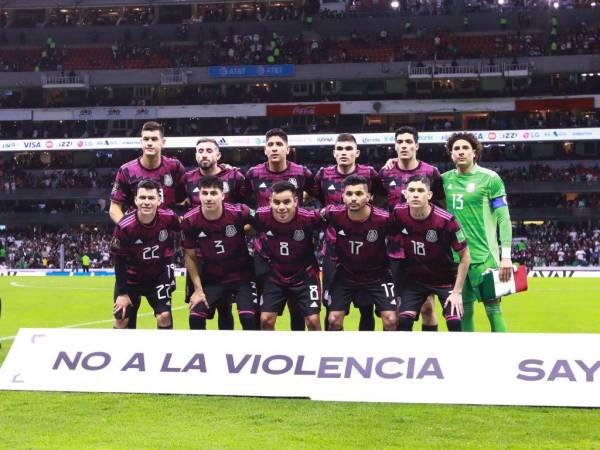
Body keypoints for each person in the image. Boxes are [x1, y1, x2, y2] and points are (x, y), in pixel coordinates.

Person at [242, 128, 316, 331]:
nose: (274, 148)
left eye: (279, 144)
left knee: (297, 308)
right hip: (264, 250)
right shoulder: (253, 174)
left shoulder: (302, 172)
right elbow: (238, 198)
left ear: (287, 149)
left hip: (298, 247)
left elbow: (317, 194)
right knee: (264, 311)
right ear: (265, 149)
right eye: (270, 145)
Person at [442, 132, 513, 332]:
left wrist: (505, 256)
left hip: (485, 258)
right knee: (463, 310)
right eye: (456, 149)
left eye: (465, 148)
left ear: (474, 152)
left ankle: (504, 356)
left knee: (494, 309)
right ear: (451, 154)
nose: (461, 152)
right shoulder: (444, 180)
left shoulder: (490, 179)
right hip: (455, 259)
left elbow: (503, 218)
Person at [314, 133, 381, 331]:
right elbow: (310, 198)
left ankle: (365, 354)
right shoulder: (323, 175)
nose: (344, 152)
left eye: (349, 149)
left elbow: (382, 197)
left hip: (366, 252)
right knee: (331, 309)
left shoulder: (370, 174)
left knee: (366, 308)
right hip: (334, 252)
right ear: (334, 153)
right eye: (340, 149)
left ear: (357, 152)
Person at [380, 126, 445, 332]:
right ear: (395, 146)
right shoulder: (385, 172)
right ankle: (402, 357)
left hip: (425, 250)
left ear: (417, 145)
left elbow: (441, 207)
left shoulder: (431, 172)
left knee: (427, 306)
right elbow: (377, 206)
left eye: (409, 142)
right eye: (400, 142)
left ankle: (428, 353)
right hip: (395, 250)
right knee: (398, 309)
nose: (404, 146)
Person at [390, 175, 470, 332]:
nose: (415, 194)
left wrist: (457, 292)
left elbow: (465, 256)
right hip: (415, 280)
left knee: (454, 321)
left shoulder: (446, 221)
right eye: (411, 190)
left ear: (429, 195)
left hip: (445, 280)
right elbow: (392, 242)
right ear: (405, 193)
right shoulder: (398, 213)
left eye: (420, 190)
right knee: (404, 321)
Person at [181, 137, 245, 329]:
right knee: (198, 308)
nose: (204, 154)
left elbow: (247, 208)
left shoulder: (235, 177)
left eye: (209, 150)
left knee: (225, 307)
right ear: (195, 155)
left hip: (230, 255)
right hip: (200, 256)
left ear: (218, 155)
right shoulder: (187, 179)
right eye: (200, 151)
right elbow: (176, 203)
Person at [181, 176, 257, 331]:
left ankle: (252, 354)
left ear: (223, 195)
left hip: (241, 277)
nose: (209, 198)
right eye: (205, 193)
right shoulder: (189, 220)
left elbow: (263, 222)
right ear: (199, 195)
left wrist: (244, 231)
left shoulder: (239, 212)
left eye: (214, 193)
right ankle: (201, 353)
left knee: (248, 318)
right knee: (195, 317)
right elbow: (189, 256)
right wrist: (197, 290)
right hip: (212, 280)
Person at [322, 175, 397, 331]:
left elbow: (400, 245)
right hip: (345, 274)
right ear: (342, 196)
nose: (353, 198)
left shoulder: (384, 219)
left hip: (378, 275)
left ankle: (390, 354)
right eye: (349, 194)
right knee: (333, 320)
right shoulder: (332, 214)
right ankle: (337, 354)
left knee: (390, 320)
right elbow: (305, 221)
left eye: (359, 194)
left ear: (369, 196)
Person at [250, 181, 322, 331]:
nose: (281, 207)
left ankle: (316, 353)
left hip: (305, 275)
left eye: (286, 202)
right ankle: (270, 353)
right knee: (266, 320)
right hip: (275, 276)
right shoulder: (260, 216)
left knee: (313, 321)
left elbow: (337, 216)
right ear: (270, 201)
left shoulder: (310, 217)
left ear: (296, 201)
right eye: (276, 202)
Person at [110, 180, 179, 330]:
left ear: (159, 200)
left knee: (164, 317)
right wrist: (122, 293)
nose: (146, 202)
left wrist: (172, 257)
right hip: (130, 279)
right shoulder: (124, 226)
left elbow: (188, 229)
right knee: (121, 318)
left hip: (158, 278)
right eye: (142, 198)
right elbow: (119, 260)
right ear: (135, 200)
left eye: (151, 198)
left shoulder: (169, 217)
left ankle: (165, 352)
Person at [109, 121, 186, 224]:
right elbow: (114, 207)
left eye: (154, 139)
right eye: (146, 139)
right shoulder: (126, 170)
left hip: (168, 233)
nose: (149, 143)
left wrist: (183, 220)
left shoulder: (175, 167)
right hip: (138, 234)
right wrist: (126, 227)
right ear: (141, 142)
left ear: (163, 142)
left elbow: (185, 199)